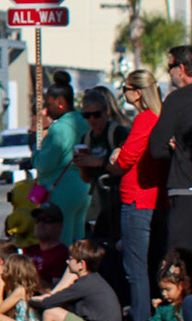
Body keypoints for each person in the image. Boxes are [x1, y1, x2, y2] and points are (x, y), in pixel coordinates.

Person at [113, 69, 165, 321]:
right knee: (151, 265)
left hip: (138, 198)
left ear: (137, 92)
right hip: (156, 198)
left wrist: (116, 154)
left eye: (125, 89)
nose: (123, 93)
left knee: (135, 269)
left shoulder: (145, 118)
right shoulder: (161, 116)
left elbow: (125, 159)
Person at [29, 82, 90, 244]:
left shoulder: (60, 129)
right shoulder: (85, 122)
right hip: (83, 186)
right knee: (78, 240)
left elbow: (45, 164)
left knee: (60, 243)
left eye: (49, 104)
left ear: (60, 101)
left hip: (61, 190)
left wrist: (35, 154)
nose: (47, 110)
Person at [151, 46, 192, 254]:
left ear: (182, 68)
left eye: (170, 67)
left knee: (180, 260)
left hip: (185, 189)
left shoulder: (177, 100)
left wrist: (177, 154)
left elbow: (156, 148)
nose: (169, 73)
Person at [77, 86, 128, 251]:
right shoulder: (86, 138)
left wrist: (99, 162)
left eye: (96, 114)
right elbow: (86, 178)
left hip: (119, 201)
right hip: (98, 204)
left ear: (106, 112)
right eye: (87, 115)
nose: (92, 120)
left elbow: (126, 167)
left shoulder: (117, 133)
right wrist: (82, 165)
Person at [26, 204, 70, 284]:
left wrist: (28, 280)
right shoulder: (28, 250)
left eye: (47, 220)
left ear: (59, 226)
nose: (40, 224)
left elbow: (57, 289)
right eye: (38, 220)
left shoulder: (62, 255)